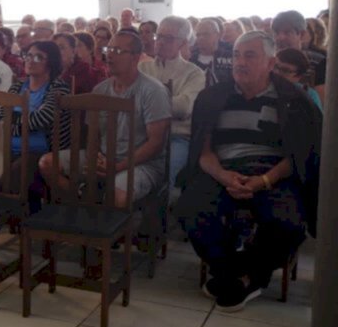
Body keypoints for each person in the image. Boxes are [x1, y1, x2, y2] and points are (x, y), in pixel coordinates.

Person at [178, 31, 321, 311]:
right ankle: (241, 276)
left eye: (250, 56)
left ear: (270, 63)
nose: (240, 62)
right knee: (189, 210)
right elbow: (203, 153)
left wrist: (263, 181)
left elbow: (298, 155)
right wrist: (223, 175)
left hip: (274, 174)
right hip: (224, 170)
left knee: (290, 223)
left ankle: (240, 274)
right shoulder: (213, 96)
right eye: (236, 55)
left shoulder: (292, 99)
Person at [38, 31, 171, 209]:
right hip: (104, 157)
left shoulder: (153, 91)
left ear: (135, 57)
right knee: (47, 163)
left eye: (117, 51)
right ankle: (83, 206)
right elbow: (93, 134)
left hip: (141, 164)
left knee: (118, 196)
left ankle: (114, 233)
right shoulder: (100, 90)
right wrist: (96, 158)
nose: (109, 55)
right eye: (109, 49)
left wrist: (118, 166)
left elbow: (156, 143)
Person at [137, 16, 207, 193]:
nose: (160, 42)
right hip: (141, 134)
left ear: (183, 43)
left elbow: (183, 108)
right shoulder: (142, 69)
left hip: (175, 137)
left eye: (168, 38)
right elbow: (127, 102)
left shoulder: (194, 73)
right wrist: (166, 101)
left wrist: (146, 102)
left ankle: (167, 214)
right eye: (158, 36)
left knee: (170, 178)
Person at [6, 40, 71, 158]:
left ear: (51, 62)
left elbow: (42, 120)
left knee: (13, 170)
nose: (30, 61)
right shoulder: (16, 87)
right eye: (28, 56)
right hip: (8, 149)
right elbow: (1, 119)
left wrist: (14, 118)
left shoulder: (59, 88)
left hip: (44, 155)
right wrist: (30, 121)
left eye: (38, 57)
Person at [272, 10, 326, 99]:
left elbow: (321, 104)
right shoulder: (268, 61)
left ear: (301, 34)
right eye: (277, 32)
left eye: (287, 32)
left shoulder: (318, 62)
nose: (280, 37)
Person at [192, 19, 233, 87]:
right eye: (198, 35)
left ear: (218, 35)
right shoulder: (190, 58)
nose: (201, 38)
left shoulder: (230, 57)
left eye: (206, 34)